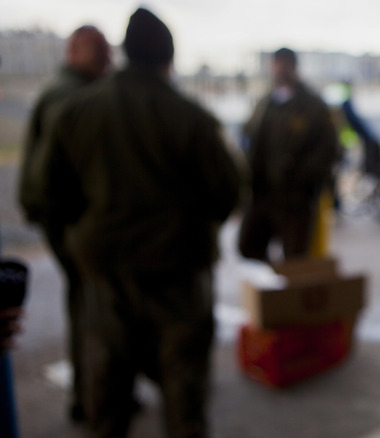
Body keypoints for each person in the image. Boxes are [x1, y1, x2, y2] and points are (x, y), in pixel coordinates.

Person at [40, 8, 242, 438]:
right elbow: (227, 194)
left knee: (107, 399)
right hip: (179, 281)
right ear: (168, 58)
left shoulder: (76, 112)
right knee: (183, 398)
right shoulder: (193, 119)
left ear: (123, 53)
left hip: (106, 279)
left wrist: (81, 242)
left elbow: (43, 195)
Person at [16, 24, 111, 422]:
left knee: (84, 302)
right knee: (90, 307)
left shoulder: (58, 91)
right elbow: (58, 174)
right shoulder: (75, 98)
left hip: (58, 217)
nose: (108, 62)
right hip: (70, 220)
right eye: (102, 54)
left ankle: (90, 394)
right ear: (79, 52)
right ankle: (91, 401)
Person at [238, 47, 339, 262]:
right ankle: (270, 287)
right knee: (248, 246)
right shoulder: (265, 104)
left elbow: (329, 150)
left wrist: (300, 175)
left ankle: (286, 292)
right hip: (263, 196)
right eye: (276, 65)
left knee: (295, 259)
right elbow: (249, 137)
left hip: (296, 200)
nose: (279, 71)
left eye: (284, 65)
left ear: (294, 68)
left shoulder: (313, 106)